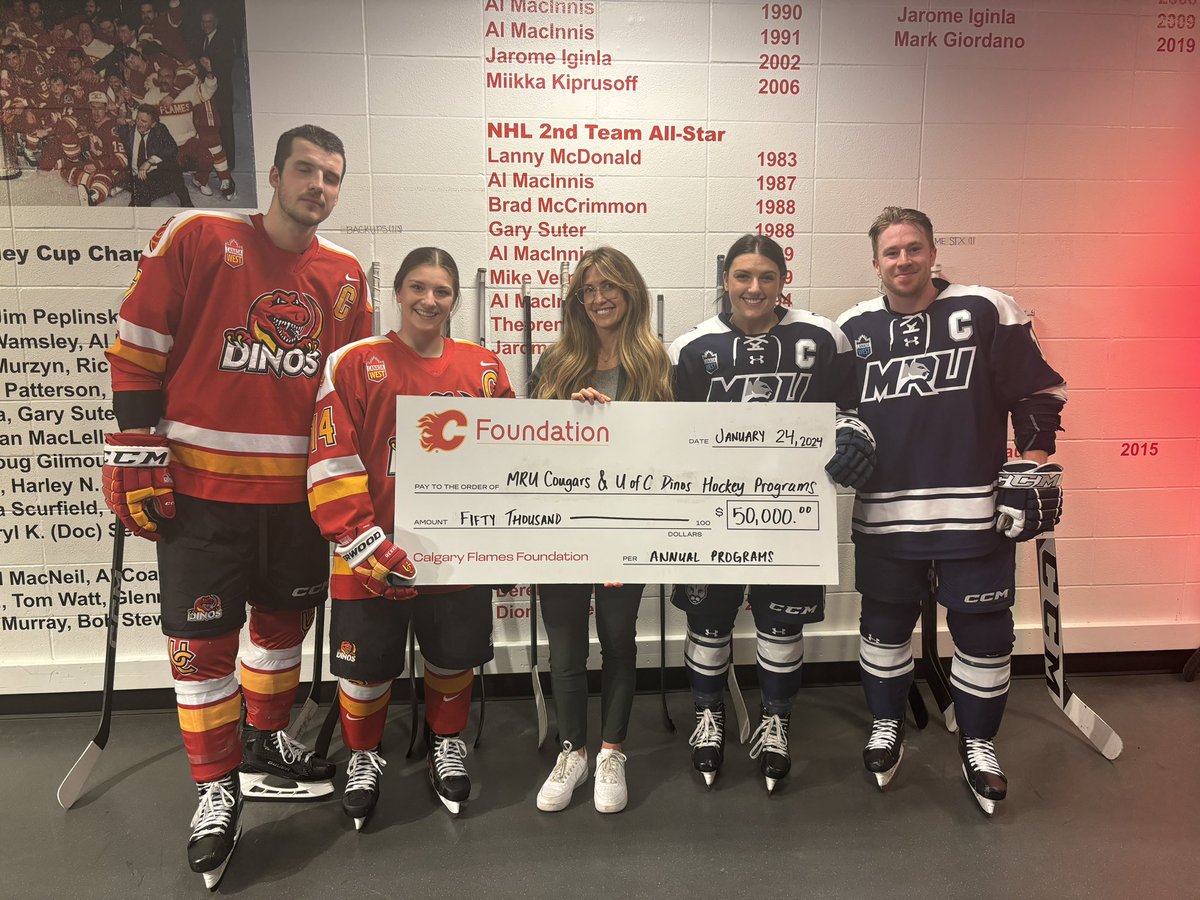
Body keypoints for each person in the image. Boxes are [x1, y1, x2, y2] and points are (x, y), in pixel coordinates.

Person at [103, 124, 370, 888]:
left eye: (332, 177)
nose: (318, 186)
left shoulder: (346, 274)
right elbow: (139, 339)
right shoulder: (198, 234)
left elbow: (344, 390)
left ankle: (265, 738)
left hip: (294, 498)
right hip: (200, 490)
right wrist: (135, 439)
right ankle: (215, 791)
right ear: (276, 174)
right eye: (306, 171)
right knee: (202, 649)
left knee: (282, 630)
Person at [837, 206, 1066, 814]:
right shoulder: (853, 328)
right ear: (876, 262)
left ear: (933, 252)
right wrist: (842, 437)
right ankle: (885, 725)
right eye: (892, 252)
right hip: (885, 517)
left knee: (985, 635)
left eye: (914, 248)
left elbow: (1036, 392)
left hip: (974, 511)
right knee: (883, 631)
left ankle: (979, 743)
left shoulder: (987, 308)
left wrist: (1034, 462)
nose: (903, 261)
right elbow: (833, 413)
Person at [308, 247, 515, 830]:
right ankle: (364, 756)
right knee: (366, 669)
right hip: (370, 556)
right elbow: (330, 457)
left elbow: (512, 453)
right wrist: (362, 542)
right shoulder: (353, 362)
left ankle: (446, 744)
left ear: (455, 300)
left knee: (452, 660)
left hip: (454, 556)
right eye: (418, 287)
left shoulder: (484, 368)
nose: (429, 300)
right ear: (396, 292)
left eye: (442, 291)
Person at [668, 233, 875, 793]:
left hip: (791, 513)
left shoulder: (822, 336)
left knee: (779, 624)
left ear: (784, 280)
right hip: (711, 512)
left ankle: (776, 720)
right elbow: (667, 432)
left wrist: (853, 436)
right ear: (726, 281)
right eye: (742, 276)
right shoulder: (690, 348)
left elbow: (851, 407)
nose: (754, 287)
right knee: (708, 623)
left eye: (766, 276)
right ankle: (708, 720)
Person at [529, 247, 673, 814]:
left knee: (617, 642)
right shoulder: (557, 360)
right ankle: (573, 750)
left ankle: (612, 749)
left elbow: (670, 452)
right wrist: (570, 414)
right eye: (587, 291)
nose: (598, 299)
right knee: (564, 650)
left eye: (608, 287)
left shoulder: (656, 362)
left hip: (626, 529)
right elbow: (531, 442)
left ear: (630, 292)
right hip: (562, 527)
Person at [118, 102, 191, 206]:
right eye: (138, 119)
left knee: (173, 165)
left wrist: (150, 161)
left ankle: (186, 203)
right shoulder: (128, 130)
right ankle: (148, 193)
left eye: (144, 121)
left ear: (153, 124)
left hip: (154, 172)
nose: (139, 123)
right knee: (139, 205)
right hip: (136, 176)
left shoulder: (160, 129)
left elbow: (172, 148)